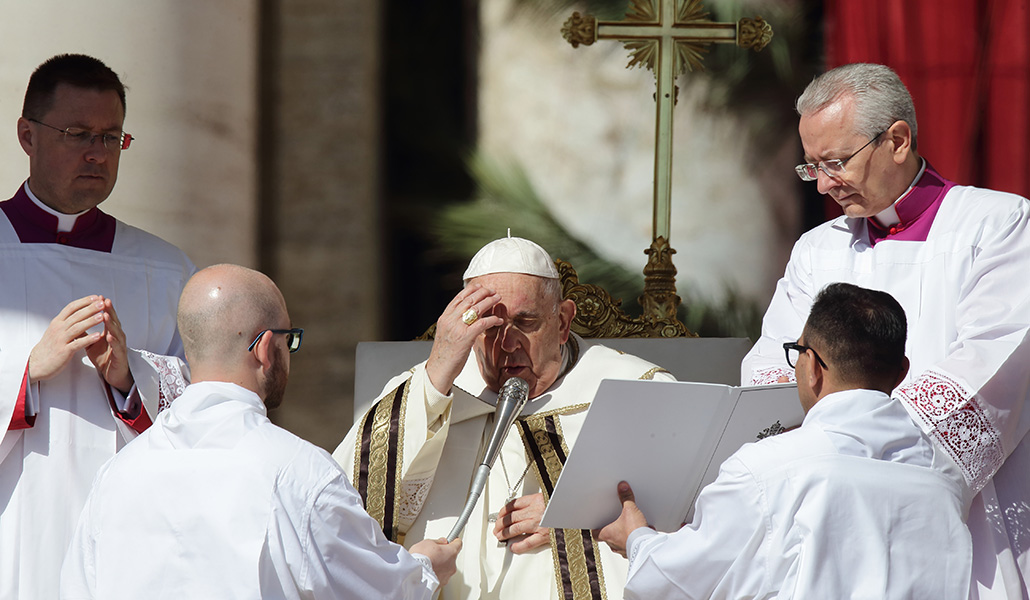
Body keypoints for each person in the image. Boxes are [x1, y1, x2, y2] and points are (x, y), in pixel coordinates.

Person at [741, 62, 1030, 598]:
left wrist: (868, 458)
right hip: (828, 509)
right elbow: (773, 364)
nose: (825, 185)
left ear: (897, 140)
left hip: (961, 515)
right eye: (811, 169)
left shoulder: (996, 225)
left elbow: (995, 357)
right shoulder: (818, 247)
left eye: (835, 162)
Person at [61, 264, 461, 599]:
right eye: (291, 340)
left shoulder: (115, 476)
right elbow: (375, 590)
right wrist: (425, 568)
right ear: (266, 347)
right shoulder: (299, 473)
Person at [333, 235, 676, 600]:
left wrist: (583, 509)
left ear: (562, 322)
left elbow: (695, 501)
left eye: (525, 322)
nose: (507, 344)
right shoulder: (424, 393)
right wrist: (435, 376)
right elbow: (343, 501)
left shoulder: (637, 391)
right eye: (490, 326)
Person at [599, 283, 972, 598]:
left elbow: (678, 581)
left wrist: (637, 539)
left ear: (811, 366)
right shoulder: (946, 478)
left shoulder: (766, 470)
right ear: (903, 372)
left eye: (796, 353)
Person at [0, 54, 195, 600]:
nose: (96, 153)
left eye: (112, 138)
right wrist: (25, 375)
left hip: (127, 546)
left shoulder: (166, 269)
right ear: (26, 135)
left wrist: (129, 378)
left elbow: (208, 406)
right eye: (77, 133)